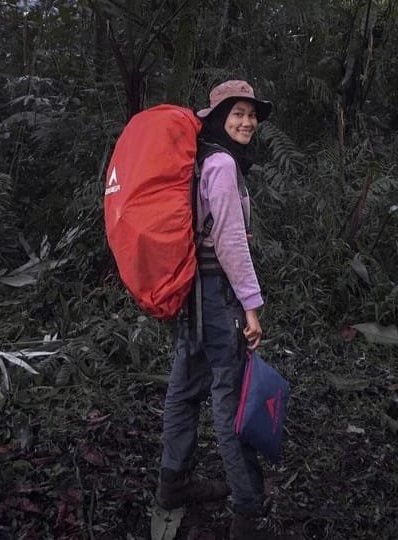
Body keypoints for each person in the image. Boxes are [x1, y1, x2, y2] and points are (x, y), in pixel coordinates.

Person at [156, 80, 287, 539]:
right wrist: (251, 306)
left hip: (192, 294)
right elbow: (230, 242)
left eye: (251, 114)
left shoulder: (198, 160)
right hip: (216, 295)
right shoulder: (223, 165)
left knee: (185, 387)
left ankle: (173, 482)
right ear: (216, 117)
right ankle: (247, 514)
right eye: (237, 113)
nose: (247, 121)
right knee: (231, 400)